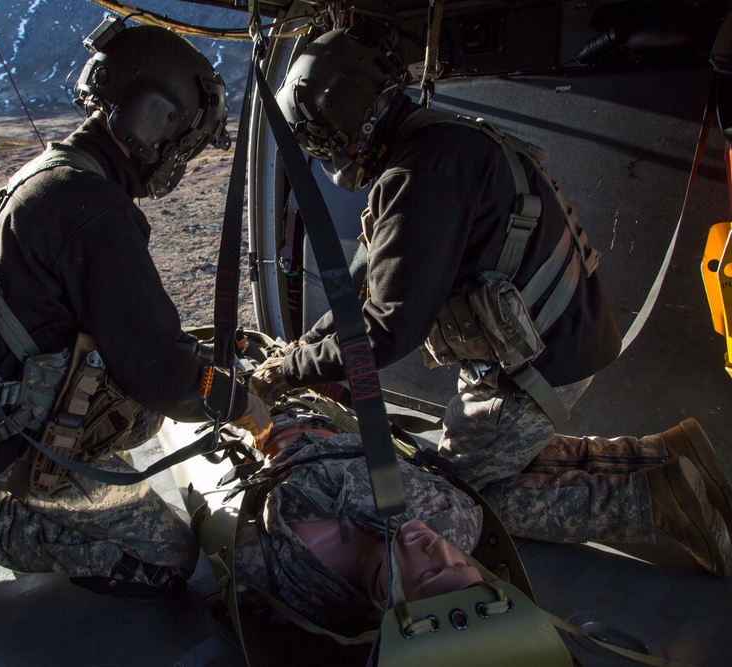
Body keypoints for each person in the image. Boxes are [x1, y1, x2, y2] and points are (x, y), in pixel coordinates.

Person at [250, 21, 732, 577]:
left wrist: (293, 372)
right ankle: (665, 460)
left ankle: (656, 505)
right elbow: (365, 283)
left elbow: (386, 332)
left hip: (534, 362)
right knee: (488, 461)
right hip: (543, 339)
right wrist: (300, 351)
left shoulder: (419, 171)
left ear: (340, 128)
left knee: (454, 495)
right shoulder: (435, 143)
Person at [0, 18, 271, 597]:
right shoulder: (94, 211)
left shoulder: (50, 173)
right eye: (181, 143)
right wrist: (243, 404)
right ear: (150, 120)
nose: (179, 162)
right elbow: (160, 371)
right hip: (28, 442)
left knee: (144, 417)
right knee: (167, 560)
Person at [225, 409, 485, 629]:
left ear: (387, 598)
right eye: (461, 565)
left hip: (255, 435)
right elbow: (441, 481)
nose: (440, 547)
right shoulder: (456, 525)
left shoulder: (289, 577)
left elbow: (233, 522)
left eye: (431, 572)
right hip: (327, 416)